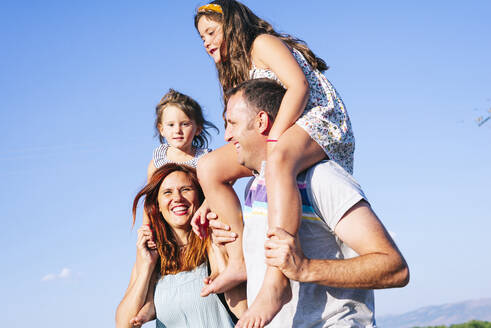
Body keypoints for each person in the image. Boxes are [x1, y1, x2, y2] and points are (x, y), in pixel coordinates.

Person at [193, 1, 355, 324]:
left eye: (211, 32)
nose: (207, 42)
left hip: (318, 121)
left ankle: (276, 283)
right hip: (280, 133)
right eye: (202, 38)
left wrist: (273, 141)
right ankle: (241, 259)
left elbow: (300, 86)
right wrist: (207, 202)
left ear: (232, 25)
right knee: (207, 168)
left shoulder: (261, 44)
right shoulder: (235, 71)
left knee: (279, 156)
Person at [214, 78, 409, 327]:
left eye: (232, 123)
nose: (227, 135)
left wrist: (306, 268)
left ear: (261, 122)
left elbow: (394, 266)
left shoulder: (321, 177)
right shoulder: (253, 188)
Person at [115, 164, 246, 328]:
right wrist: (146, 268)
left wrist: (219, 256)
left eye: (185, 190)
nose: (177, 198)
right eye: (167, 192)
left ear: (200, 198)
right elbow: (123, 324)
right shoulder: (153, 258)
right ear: (158, 206)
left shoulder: (218, 240)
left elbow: (243, 311)